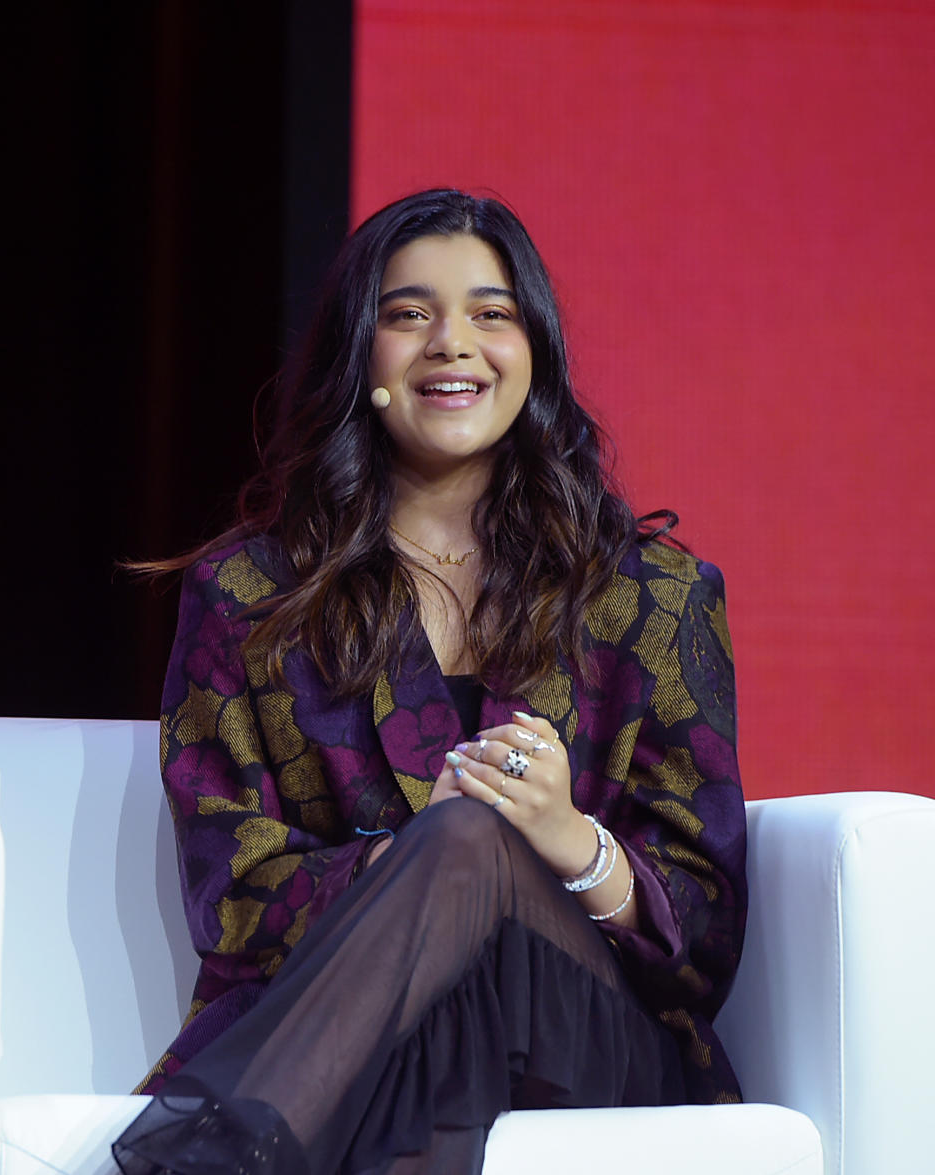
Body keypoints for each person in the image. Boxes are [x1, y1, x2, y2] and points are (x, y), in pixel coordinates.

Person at [113, 189, 747, 1175]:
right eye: (409, 315)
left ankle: (223, 1157)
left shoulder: (649, 597)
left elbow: (705, 930)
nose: (453, 343)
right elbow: (231, 895)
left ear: (531, 354)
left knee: (472, 833)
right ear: (360, 356)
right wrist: (408, 870)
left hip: (593, 1036)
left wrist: (562, 838)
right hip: (371, 1026)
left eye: (492, 314)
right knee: (448, 942)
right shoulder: (249, 595)